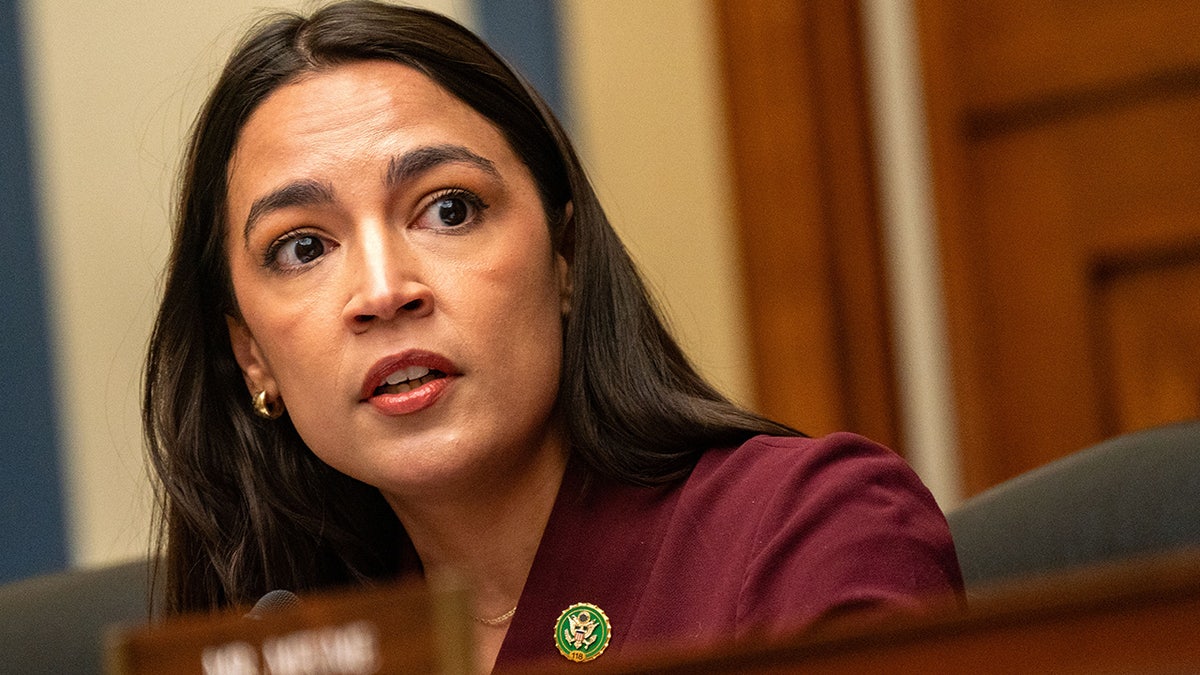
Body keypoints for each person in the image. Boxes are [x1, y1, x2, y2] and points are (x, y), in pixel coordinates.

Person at [143, 1, 962, 670]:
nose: (385, 291)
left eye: (448, 209)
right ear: (252, 354)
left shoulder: (809, 531)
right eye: (304, 247)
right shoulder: (290, 641)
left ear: (564, 257)